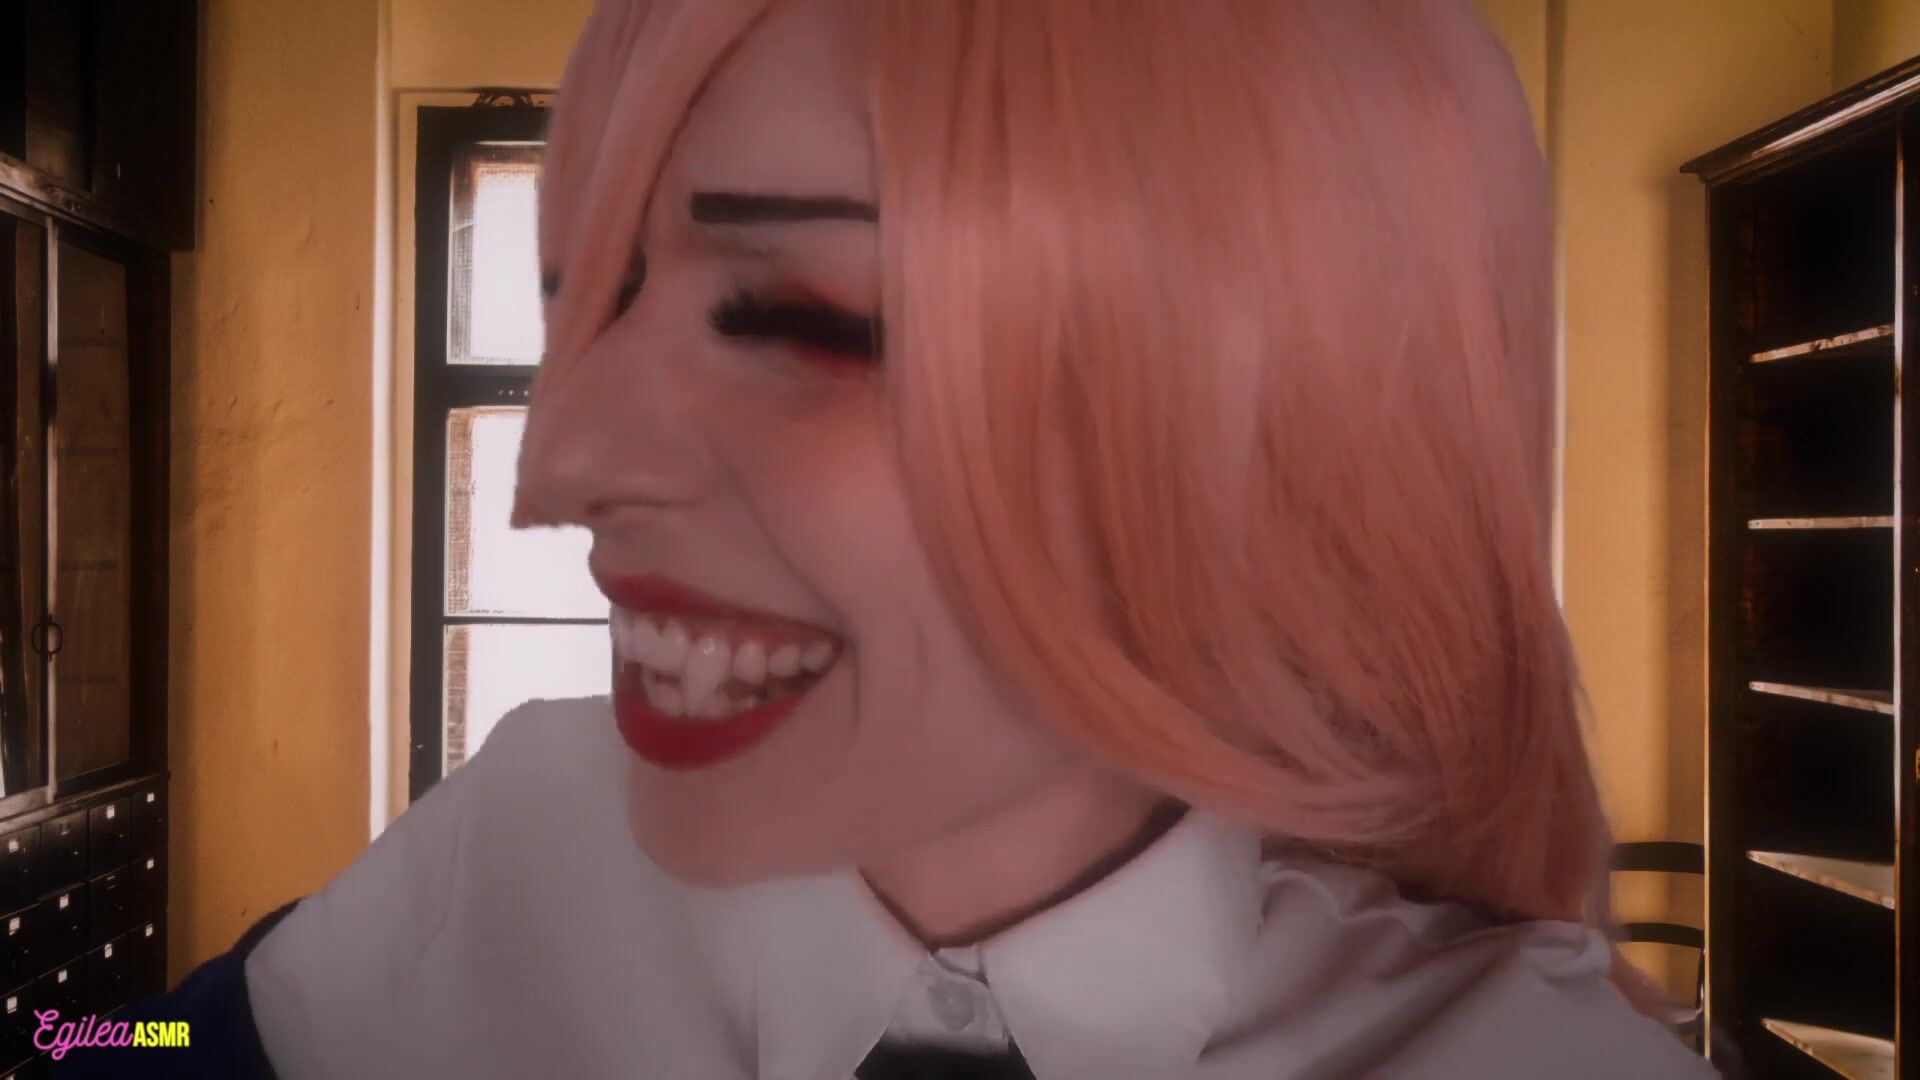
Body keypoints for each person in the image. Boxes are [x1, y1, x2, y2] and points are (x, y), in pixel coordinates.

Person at [56, 0, 1721, 1076]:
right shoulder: (536, 831)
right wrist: (64, 1033)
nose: (562, 467)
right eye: (592, 310)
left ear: (1254, 440)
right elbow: (137, 1046)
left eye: (796, 318)